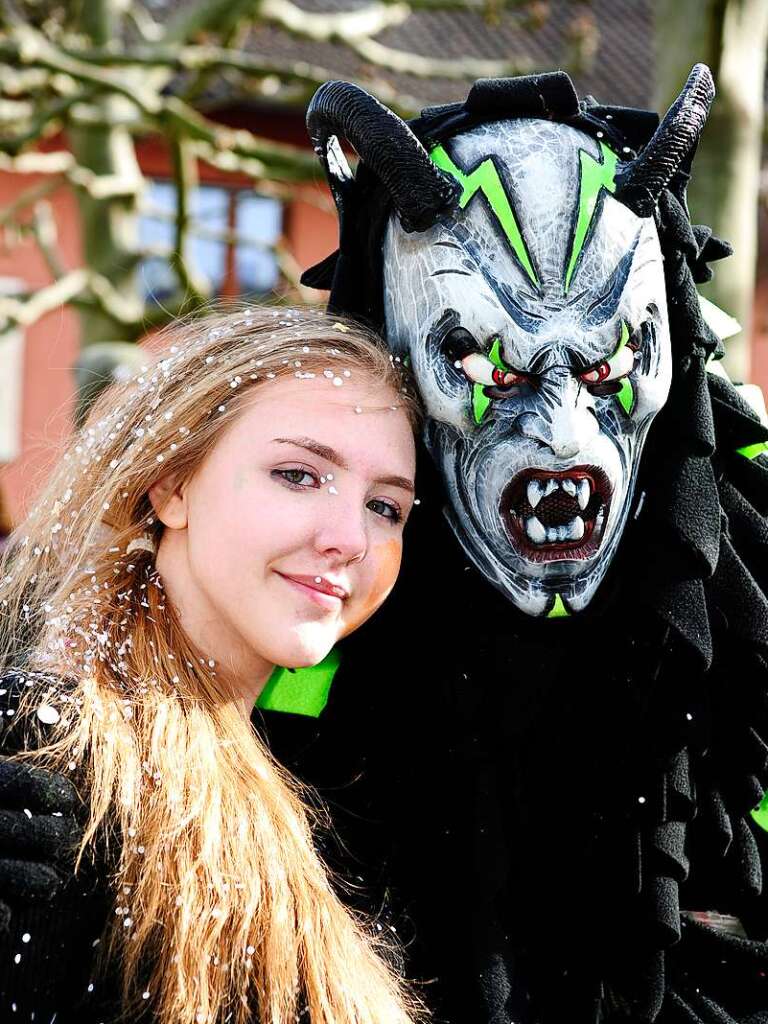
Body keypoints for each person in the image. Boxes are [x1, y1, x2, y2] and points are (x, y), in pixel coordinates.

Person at [276, 67, 768, 1023]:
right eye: (481, 361)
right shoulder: (297, 605)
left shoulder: (748, 605)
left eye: (611, 362)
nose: (565, 431)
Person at [0, 307, 423, 1024]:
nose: (351, 537)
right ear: (172, 486)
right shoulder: (51, 751)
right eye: (297, 474)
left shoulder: (329, 791)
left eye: (386, 507)